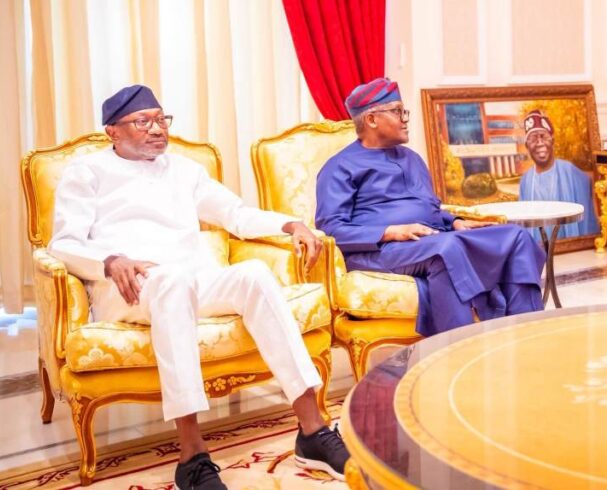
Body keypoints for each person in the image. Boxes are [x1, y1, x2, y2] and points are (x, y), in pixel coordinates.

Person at [49, 85, 349, 489]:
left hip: (191, 279)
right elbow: (63, 243)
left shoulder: (185, 170)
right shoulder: (86, 172)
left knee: (256, 275)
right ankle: (191, 455)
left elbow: (235, 214)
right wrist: (109, 260)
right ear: (113, 132)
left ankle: (312, 431)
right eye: (143, 122)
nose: (157, 129)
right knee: (171, 282)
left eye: (161, 119)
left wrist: (291, 224)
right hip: (128, 289)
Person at [315, 78, 545, 336]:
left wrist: (454, 221)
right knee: (446, 250)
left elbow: (429, 208)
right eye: (397, 111)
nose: (405, 119)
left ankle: (522, 332)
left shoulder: (412, 158)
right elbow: (331, 229)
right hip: (381, 250)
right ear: (371, 119)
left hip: (432, 238)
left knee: (517, 237)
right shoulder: (339, 167)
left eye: (404, 112)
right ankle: (458, 350)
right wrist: (390, 231)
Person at [518, 110, 600, 239]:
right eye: (533, 139)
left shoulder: (570, 171)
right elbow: (522, 222)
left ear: (553, 141)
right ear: (527, 146)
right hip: (539, 251)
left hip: (569, 248)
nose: (539, 143)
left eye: (543, 136)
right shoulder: (526, 180)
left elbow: (595, 185)